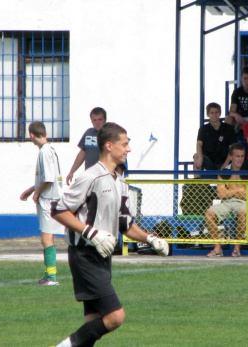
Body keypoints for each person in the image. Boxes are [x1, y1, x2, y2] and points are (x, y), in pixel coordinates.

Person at [52, 122, 169, 347]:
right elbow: (58, 210)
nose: (128, 149)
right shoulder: (91, 177)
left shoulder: (121, 183)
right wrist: (91, 233)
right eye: (124, 144)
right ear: (108, 145)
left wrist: (150, 239)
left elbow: (125, 224)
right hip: (84, 255)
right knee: (116, 317)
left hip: (103, 257)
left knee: (93, 321)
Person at [20, 121, 64, 286]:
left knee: (46, 237)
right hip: (53, 197)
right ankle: (49, 275)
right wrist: (32, 189)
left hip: (49, 199)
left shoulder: (44, 152)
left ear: (31, 134)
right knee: (50, 236)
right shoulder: (50, 149)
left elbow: (49, 179)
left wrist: (37, 192)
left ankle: (51, 277)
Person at [205, 143, 248, 257]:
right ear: (231, 157)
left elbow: (247, 195)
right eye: (237, 156)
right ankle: (217, 248)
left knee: (243, 212)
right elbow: (221, 194)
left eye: (242, 156)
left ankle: (237, 247)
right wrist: (238, 190)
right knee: (209, 213)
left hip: (242, 203)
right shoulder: (224, 172)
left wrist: (230, 191)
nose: (240, 159)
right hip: (226, 203)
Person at [66, 107, 107, 185]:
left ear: (105, 120)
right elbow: (82, 153)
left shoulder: (110, 134)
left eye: (100, 119)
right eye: (94, 120)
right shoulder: (88, 133)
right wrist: (71, 172)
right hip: (90, 176)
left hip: (105, 177)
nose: (97, 122)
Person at [193, 102, 236, 176]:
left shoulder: (228, 128)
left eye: (216, 112)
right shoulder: (203, 129)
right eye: (211, 113)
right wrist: (200, 157)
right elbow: (199, 144)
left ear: (220, 113)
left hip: (224, 161)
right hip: (210, 162)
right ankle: (197, 184)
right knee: (196, 156)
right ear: (208, 114)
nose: (214, 115)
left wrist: (225, 164)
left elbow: (232, 148)